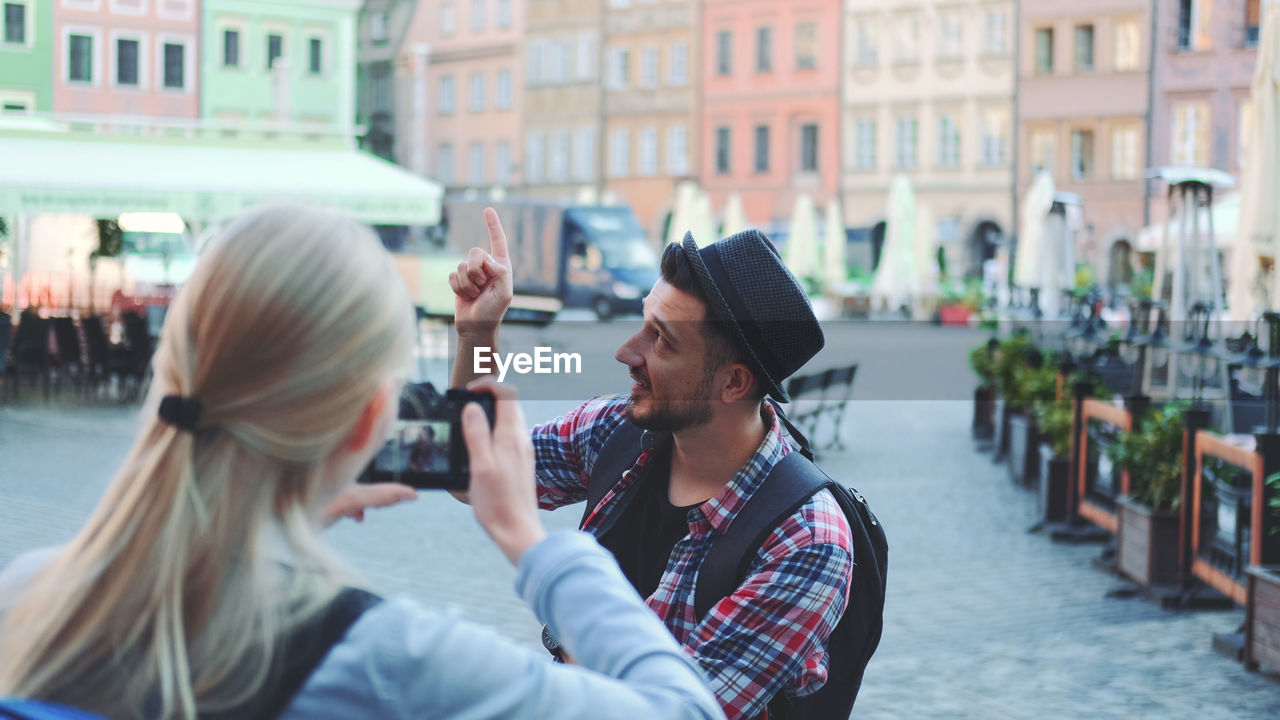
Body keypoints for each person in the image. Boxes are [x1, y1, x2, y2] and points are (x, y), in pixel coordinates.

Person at [0, 205, 725, 720]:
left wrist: (286, 497)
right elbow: (685, 709)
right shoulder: (384, 658)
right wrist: (533, 545)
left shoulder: (32, 594)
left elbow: (462, 444)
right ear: (368, 427)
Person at [450, 208, 855, 720]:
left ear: (733, 383)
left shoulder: (805, 541)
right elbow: (470, 470)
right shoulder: (618, 431)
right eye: (643, 324)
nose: (627, 352)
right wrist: (476, 335)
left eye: (662, 339)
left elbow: (673, 713)